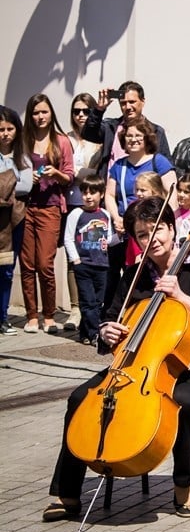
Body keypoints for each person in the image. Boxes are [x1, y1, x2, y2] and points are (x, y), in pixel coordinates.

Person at [42, 197, 190, 522]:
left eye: (157, 230)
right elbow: (110, 317)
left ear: (172, 229)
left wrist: (183, 299)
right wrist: (106, 333)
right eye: (143, 235)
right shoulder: (134, 274)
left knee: (184, 403)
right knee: (79, 398)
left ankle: (182, 483)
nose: (152, 240)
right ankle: (68, 493)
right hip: (135, 367)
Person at [104, 118, 177, 306]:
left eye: (138, 135)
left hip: (150, 228)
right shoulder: (119, 165)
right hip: (123, 230)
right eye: (129, 135)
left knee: (145, 273)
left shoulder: (158, 161)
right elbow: (110, 195)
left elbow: (171, 196)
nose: (133, 139)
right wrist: (117, 218)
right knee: (118, 276)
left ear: (147, 138)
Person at [20, 94, 74, 334]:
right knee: (27, 264)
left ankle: (49, 315)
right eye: (35, 113)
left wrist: (56, 174)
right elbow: (14, 170)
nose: (40, 117)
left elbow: (70, 175)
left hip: (51, 207)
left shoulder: (61, 141)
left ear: (51, 113)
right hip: (25, 207)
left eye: (44, 112)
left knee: (45, 263)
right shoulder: (23, 140)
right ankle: (32, 315)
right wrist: (25, 177)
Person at [64, 93, 103, 330]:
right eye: (76, 111)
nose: (80, 115)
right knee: (72, 256)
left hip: (92, 205)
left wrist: (75, 172)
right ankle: (75, 308)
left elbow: (94, 172)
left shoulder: (98, 138)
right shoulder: (64, 139)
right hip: (69, 203)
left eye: (86, 111)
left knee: (91, 253)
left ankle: (92, 307)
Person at [63, 174, 114, 345]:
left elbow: (109, 237)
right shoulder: (76, 214)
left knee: (97, 302)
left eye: (93, 193)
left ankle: (84, 333)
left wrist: (114, 239)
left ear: (101, 194)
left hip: (101, 265)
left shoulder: (105, 214)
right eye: (85, 193)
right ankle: (95, 334)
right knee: (87, 301)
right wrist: (75, 259)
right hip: (83, 265)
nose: (88, 197)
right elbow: (68, 238)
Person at [83, 81, 171, 179]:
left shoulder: (156, 131)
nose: (128, 107)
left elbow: (166, 168)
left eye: (132, 102)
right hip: (111, 190)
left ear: (143, 101)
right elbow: (88, 133)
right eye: (123, 103)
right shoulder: (111, 127)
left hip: (143, 190)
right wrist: (98, 110)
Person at [0, 107, 32, 335]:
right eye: (0, 129)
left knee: (6, 269)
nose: (5, 134)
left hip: (13, 221)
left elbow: (26, 186)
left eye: (10, 129)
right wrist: (12, 181)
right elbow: (17, 185)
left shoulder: (23, 157)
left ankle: (2, 317)